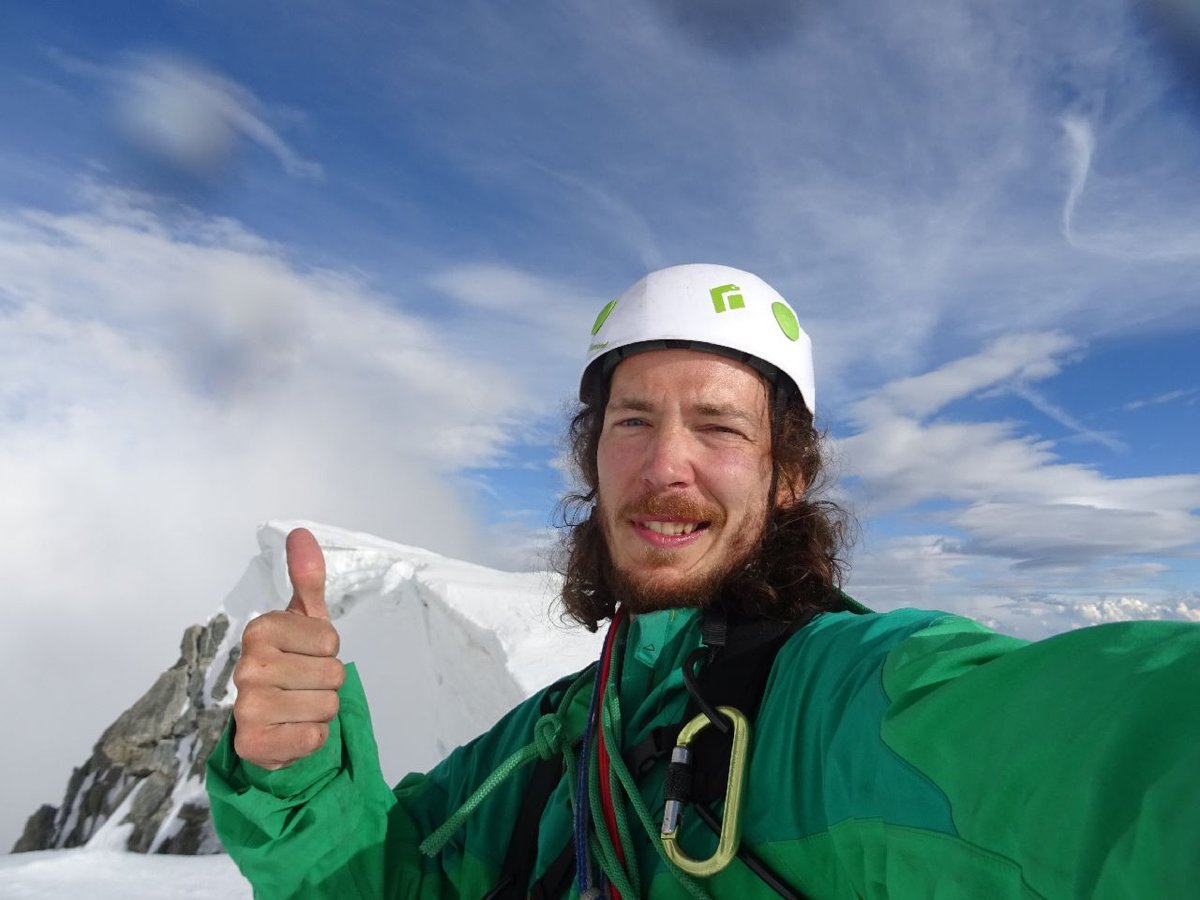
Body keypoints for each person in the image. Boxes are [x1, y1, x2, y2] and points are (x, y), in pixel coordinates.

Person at [207, 264, 1200, 899]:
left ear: (787, 478)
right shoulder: (560, 732)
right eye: (631, 421)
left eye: (719, 426)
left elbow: (1121, 758)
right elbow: (383, 885)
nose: (663, 464)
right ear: (592, 462)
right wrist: (299, 776)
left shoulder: (849, 703)